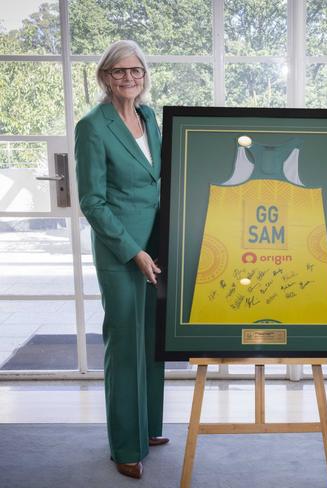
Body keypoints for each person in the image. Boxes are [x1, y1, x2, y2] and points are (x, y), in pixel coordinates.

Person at [75, 40, 167, 480]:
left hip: (158, 246)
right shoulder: (92, 126)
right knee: (125, 343)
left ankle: (148, 427)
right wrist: (133, 251)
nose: (129, 78)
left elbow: (158, 179)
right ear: (104, 77)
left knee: (151, 339)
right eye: (119, 72)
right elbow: (92, 201)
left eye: (136, 71)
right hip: (122, 250)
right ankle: (125, 446)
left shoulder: (149, 117)